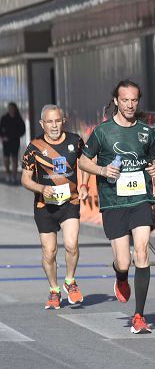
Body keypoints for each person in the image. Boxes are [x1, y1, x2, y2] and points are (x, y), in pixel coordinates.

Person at [78, 80, 155, 334]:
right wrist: (102, 169)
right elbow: (83, 162)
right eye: (125, 100)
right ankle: (120, 276)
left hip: (140, 199)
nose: (129, 104)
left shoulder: (147, 132)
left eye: (134, 100)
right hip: (113, 202)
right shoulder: (102, 132)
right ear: (116, 101)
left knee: (143, 254)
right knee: (124, 262)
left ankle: (139, 316)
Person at [20, 104, 87, 309]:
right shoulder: (34, 147)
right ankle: (54, 289)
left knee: (71, 244)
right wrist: (41, 188)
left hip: (70, 202)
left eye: (57, 121)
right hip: (44, 205)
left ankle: (70, 280)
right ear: (42, 124)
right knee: (49, 252)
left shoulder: (75, 141)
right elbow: (25, 179)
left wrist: (83, 184)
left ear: (63, 121)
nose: (54, 125)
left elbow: (84, 164)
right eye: (49, 122)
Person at [2, 102, 26, 182]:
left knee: (14, 158)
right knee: (6, 159)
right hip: (6, 142)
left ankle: (14, 176)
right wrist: (2, 137)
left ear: (15, 109)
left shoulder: (18, 118)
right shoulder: (4, 118)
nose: (11, 109)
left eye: (12, 108)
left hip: (15, 141)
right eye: (9, 108)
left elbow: (23, 130)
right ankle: (8, 174)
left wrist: (16, 136)